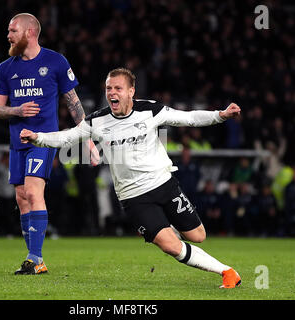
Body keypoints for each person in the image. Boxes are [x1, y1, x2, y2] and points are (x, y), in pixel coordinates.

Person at [20, 67, 242, 288]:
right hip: (134, 197)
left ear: (131, 91)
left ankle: (169, 230)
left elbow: (189, 118)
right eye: (108, 88)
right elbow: (66, 137)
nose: (112, 93)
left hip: (164, 185)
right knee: (171, 246)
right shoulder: (96, 121)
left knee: (198, 236)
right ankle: (227, 272)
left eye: (118, 88)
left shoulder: (151, 110)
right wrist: (37, 137)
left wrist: (220, 115)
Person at [0, 13, 98, 275]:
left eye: (13, 30)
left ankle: (35, 258)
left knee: (31, 191)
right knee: (21, 197)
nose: (8, 35)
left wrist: (87, 139)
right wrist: (17, 111)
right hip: (18, 142)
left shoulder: (55, 61)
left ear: (30, 32)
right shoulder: (5, 68)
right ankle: (33, 259)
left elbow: (73, 102)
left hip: (43, 139)